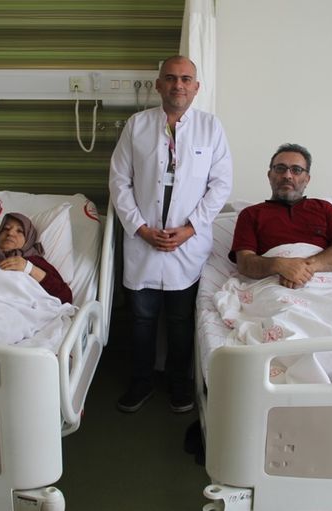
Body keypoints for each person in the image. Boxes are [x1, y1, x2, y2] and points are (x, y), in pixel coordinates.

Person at [109, 55, 232, 414]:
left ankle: (179, 383)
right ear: (159, 84)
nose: (178, 85)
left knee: (180, 321)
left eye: (186, 79)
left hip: (187, 245)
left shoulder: (211, 128)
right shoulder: (137, 125)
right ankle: (141, 381)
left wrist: (190, 229)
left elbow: (221, 185)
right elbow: (119, 182)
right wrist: (140, 228)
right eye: (171, 78)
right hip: (142, 241)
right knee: (141, 320)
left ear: (196, 87)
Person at [230, 143, 332, 287]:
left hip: (323, 281)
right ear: (269, 175)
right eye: (280, 168)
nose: (287, 175)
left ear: (307, 179)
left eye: (296, 170)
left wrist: (303, 268)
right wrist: (279, 265)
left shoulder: (324, 208)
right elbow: (244, 263)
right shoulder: (250, 214)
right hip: (273, 284)